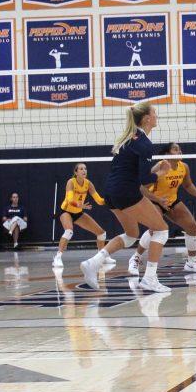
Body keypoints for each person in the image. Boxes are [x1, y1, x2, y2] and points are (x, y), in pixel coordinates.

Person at [80, 103, 173, 292]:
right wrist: (162, 172)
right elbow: (145, 181)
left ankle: (93, 263)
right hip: (126, 191)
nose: (157, 116)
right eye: (154, 113)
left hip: (111, 192)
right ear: (147, 118)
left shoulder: (130, 138)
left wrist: (155, 170)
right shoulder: (144, 143)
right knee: (162, 230)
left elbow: (138, 175)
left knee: (131, 235)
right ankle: (150, 279)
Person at [128, 143, 196, 277]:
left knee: (192, 226)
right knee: (155, 229)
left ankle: (191, 262)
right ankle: (135, 258)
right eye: (175, 149)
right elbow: (142, 188)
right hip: (154, 200)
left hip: (171, 201)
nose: (179, 152)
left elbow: (188, 184)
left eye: (180, 149)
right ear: (167, 154)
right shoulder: (160, 166)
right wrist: (158, 199)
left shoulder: (184, 167)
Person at [53, 163, 109, 269]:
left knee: (101, 233)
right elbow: (69, 200)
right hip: (66, 211)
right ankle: (57, 257)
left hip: (78, 213)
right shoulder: (71, 182)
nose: (84, 171)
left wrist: (109, 200)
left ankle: (102, 256)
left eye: (85, 169)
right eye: (81, 169)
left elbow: (99, 200)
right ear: (76, 172)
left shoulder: (88, 184)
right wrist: (80, 205)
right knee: (69, 231)